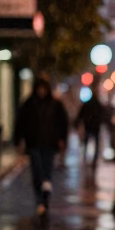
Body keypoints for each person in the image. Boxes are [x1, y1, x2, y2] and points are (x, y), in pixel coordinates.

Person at [14, 76, 69, 214]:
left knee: (46, 170)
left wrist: (62, 138)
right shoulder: (29, 104)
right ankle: (40, 199)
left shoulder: (55, 105)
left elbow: (63, 123)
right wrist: (18, 139)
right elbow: (20, 121)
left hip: (49, 144)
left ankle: (44, 198)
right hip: (34, 143)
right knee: (37, 171)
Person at [75, 84, 107, 166]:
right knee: (94, 143)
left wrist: (78, 123)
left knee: (88, 142)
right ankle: (93, 159)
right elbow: (103, 115)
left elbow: (81, 114)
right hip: (94, 126)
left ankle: (87, 158)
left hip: (89, 125)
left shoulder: (89, 104)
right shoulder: (97, 104)